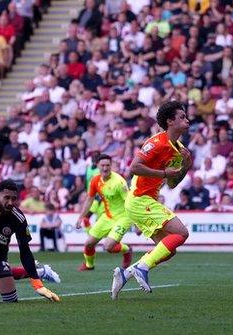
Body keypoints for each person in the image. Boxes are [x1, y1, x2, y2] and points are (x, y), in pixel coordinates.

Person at [111, 101, 192, 300]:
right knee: (181, 233)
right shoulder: (156, 142)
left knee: (168, 248)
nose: (187, 119)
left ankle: (127, 272)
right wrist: (164, 172)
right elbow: (133, 168)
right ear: (170, 121)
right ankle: (143, 267)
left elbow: (172, 182)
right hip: (139, 199)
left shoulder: (179, 148)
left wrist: (186, 166)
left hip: (146, 200)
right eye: (182, 117)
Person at [75, 154, 132, 271]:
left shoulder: (119, 182)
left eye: (108, 165)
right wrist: (81, 217)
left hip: (123, 217)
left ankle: (127, 250)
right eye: (102, 165)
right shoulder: (95, 180)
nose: (105, 168)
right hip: (108, 216)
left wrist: (138, 224)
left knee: (108, 247)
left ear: (111, 165)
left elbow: (130, 203)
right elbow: (89, 199)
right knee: (88, 243)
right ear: (97, 166)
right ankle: (89, 265)